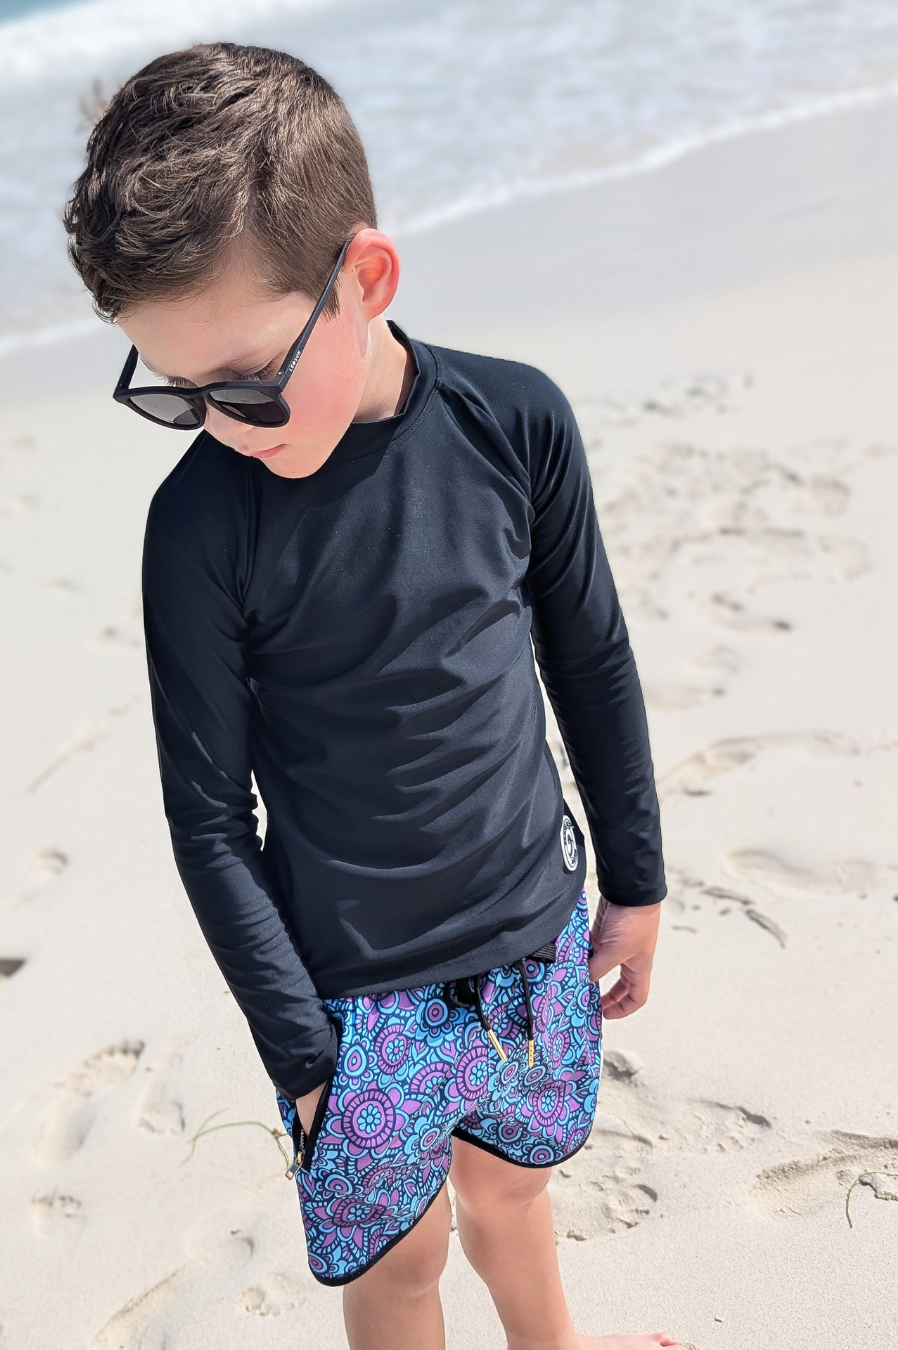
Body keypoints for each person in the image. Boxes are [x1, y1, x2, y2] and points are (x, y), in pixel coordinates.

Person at [64, 42, 681, 1350]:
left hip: (526, 923)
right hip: (347, 989)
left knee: (514, 1185)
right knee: (398, 1258)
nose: (222, 423)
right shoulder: (200, 529)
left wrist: (634, 878)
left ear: (367, 279)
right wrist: (302, 1057)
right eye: (173, 393)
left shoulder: (514, 425)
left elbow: (591, 662)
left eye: (243, 380)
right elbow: (210, 822)